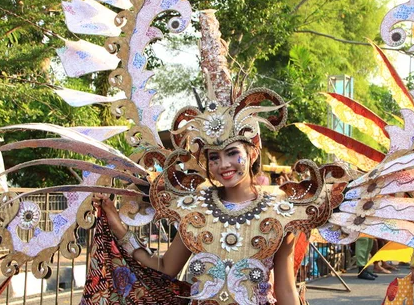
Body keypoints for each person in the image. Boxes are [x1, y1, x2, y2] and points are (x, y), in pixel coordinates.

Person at [95, 87, 308, 305]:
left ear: (252, 153)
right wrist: (119, 229)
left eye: (233, 153)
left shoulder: (281, 212)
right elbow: (165, 267)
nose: (223, 165)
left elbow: (286, 291)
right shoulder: (195, 208)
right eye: (214, 157)